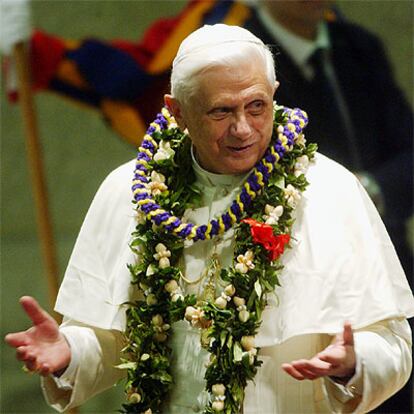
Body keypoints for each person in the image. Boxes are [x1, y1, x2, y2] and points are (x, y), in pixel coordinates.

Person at [5, 24, 414, 414]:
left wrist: (355, 363)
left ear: (275, 93)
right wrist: (68, 353)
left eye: (257, 106)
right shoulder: (131, 192)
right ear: (177, 112)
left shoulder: (330, 190)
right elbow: (109, 342)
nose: (243, 129)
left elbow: (393, 346)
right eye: (221, 112)